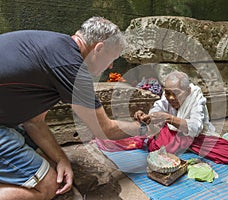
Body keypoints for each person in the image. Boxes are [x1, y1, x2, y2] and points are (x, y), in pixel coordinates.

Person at [0, 16, 141, 200]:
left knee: (46, 159)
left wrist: (61, 159)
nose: (111, 66)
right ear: (98, 48)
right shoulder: (71, 67)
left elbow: (34, 121)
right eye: (112, 59)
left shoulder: (57, 46)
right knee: (49, 186)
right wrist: (144, 127)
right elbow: (105, 129)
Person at [134, 71, 228, 164]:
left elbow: (195, 128)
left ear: (188, 91)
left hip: (196, 137)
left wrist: (168, 118)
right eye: (168, 93)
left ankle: (184, 146)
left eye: (176, 93)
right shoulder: (167, 94)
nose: (171, 98)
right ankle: (182, 146)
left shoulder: (197, 99)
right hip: (175, 133)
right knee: (155, 148)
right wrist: (147, 117)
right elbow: (157, 109)